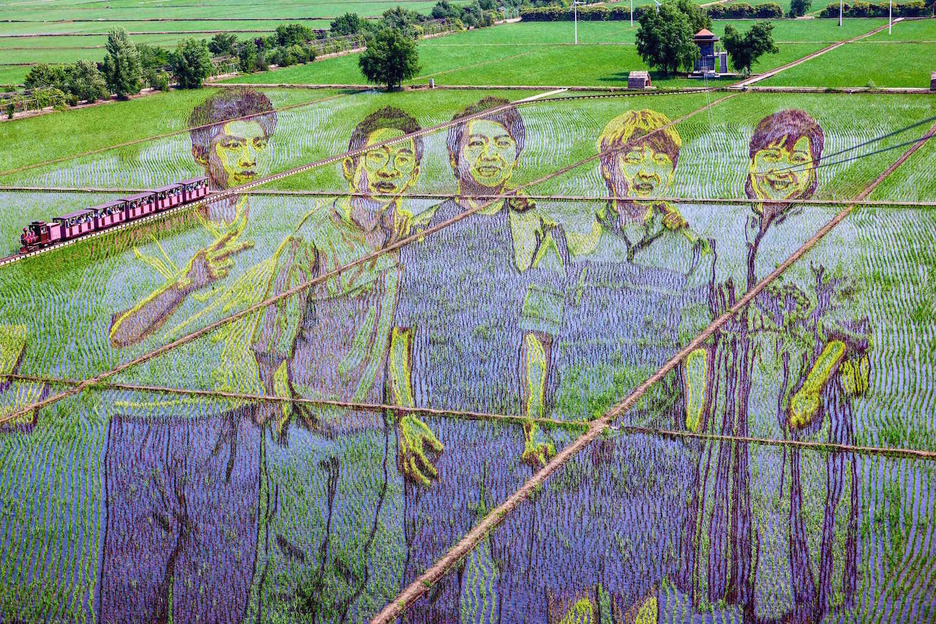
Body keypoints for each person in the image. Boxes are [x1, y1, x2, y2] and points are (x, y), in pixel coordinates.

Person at [513, 109, 715, 622]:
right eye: (633, 157)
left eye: (659, 159)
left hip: (650, 452)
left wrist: (691, 439)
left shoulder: (692, 248)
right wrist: (533, 426)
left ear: (672, 171)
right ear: (608, 167)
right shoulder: (568, 238)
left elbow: (696, 355)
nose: (646, 170)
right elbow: (537, 339)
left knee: (639, 596)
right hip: (571, 448)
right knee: (569, 594)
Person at [676, 109, 869, 622]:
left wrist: (811, 388)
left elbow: (847, 329)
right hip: (735, 391)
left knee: (793, 509)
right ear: (751, 162)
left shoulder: (829, 231)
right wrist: (698, 398)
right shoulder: (726, 226)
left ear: (814, 171)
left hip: (796, 392)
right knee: (739, 511)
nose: (781, 170)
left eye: (797, 160)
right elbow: (703, 315)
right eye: (770, 157)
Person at [388, 96, 571, 622]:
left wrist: (533, 425)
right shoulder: (423, 232)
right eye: (476, 143)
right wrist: (406, 419)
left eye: (502, 143)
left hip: (513, 441)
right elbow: (400, 336)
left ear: (518, 154)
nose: (489, 155)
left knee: (521, 580)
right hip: (438, 438)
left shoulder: (541, 233)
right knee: (430, 585)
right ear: (454, 156)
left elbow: (537, 340)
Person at [246, 106, 424, 621]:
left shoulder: (404, 236)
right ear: (350, 166)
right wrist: (279, 402)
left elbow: (399, 336)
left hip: (367, 433)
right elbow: (272, 334)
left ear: (415, 175)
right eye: (377, 156)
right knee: (292, 559)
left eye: (403, 159)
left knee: (350, 560)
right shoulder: (312, 236)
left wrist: (402, 416)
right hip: (305, 428)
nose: (389, 169)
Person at [109, 88, 277, 349]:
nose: (250, 160)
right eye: (233, 146)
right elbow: (120, 335)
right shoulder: (158, 236)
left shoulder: (276, 214)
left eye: (258, 144)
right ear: (200, 155)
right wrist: (185, 284)